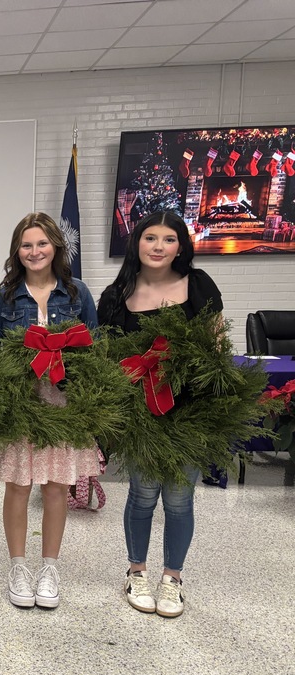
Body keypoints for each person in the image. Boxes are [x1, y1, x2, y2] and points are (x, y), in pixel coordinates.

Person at [97, 210, 222, 618]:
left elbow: (216, 348)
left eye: (169, 239)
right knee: (142, 495)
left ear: (181, 246)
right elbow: (107, 359)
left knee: (181, 500)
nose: (158, 246)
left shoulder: (199, 286)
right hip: (140, 417)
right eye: (150, 237)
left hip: (188, 413)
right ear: (137, 243)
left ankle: (173, 579)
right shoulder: (116, 296)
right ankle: (136, 571)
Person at [0, 212, 99, 610]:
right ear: (17, 251)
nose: (34, 251)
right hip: (21, 403)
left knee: (55, 487)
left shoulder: (78, 293)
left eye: (42, 244)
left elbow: (93, 348)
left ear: (56, 247)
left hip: (63, 404)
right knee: (18, 485)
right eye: (26, 245)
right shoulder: (4, 296)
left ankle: (49, 568)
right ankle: (18, 566)